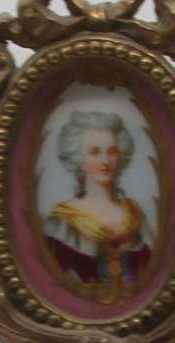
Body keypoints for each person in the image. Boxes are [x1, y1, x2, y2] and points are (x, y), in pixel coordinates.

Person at [43, 109, 154, 303]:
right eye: (94, 152)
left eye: (112, 151)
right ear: (79, 159)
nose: (105, 161)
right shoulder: (61, 222)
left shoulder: (135, 216)